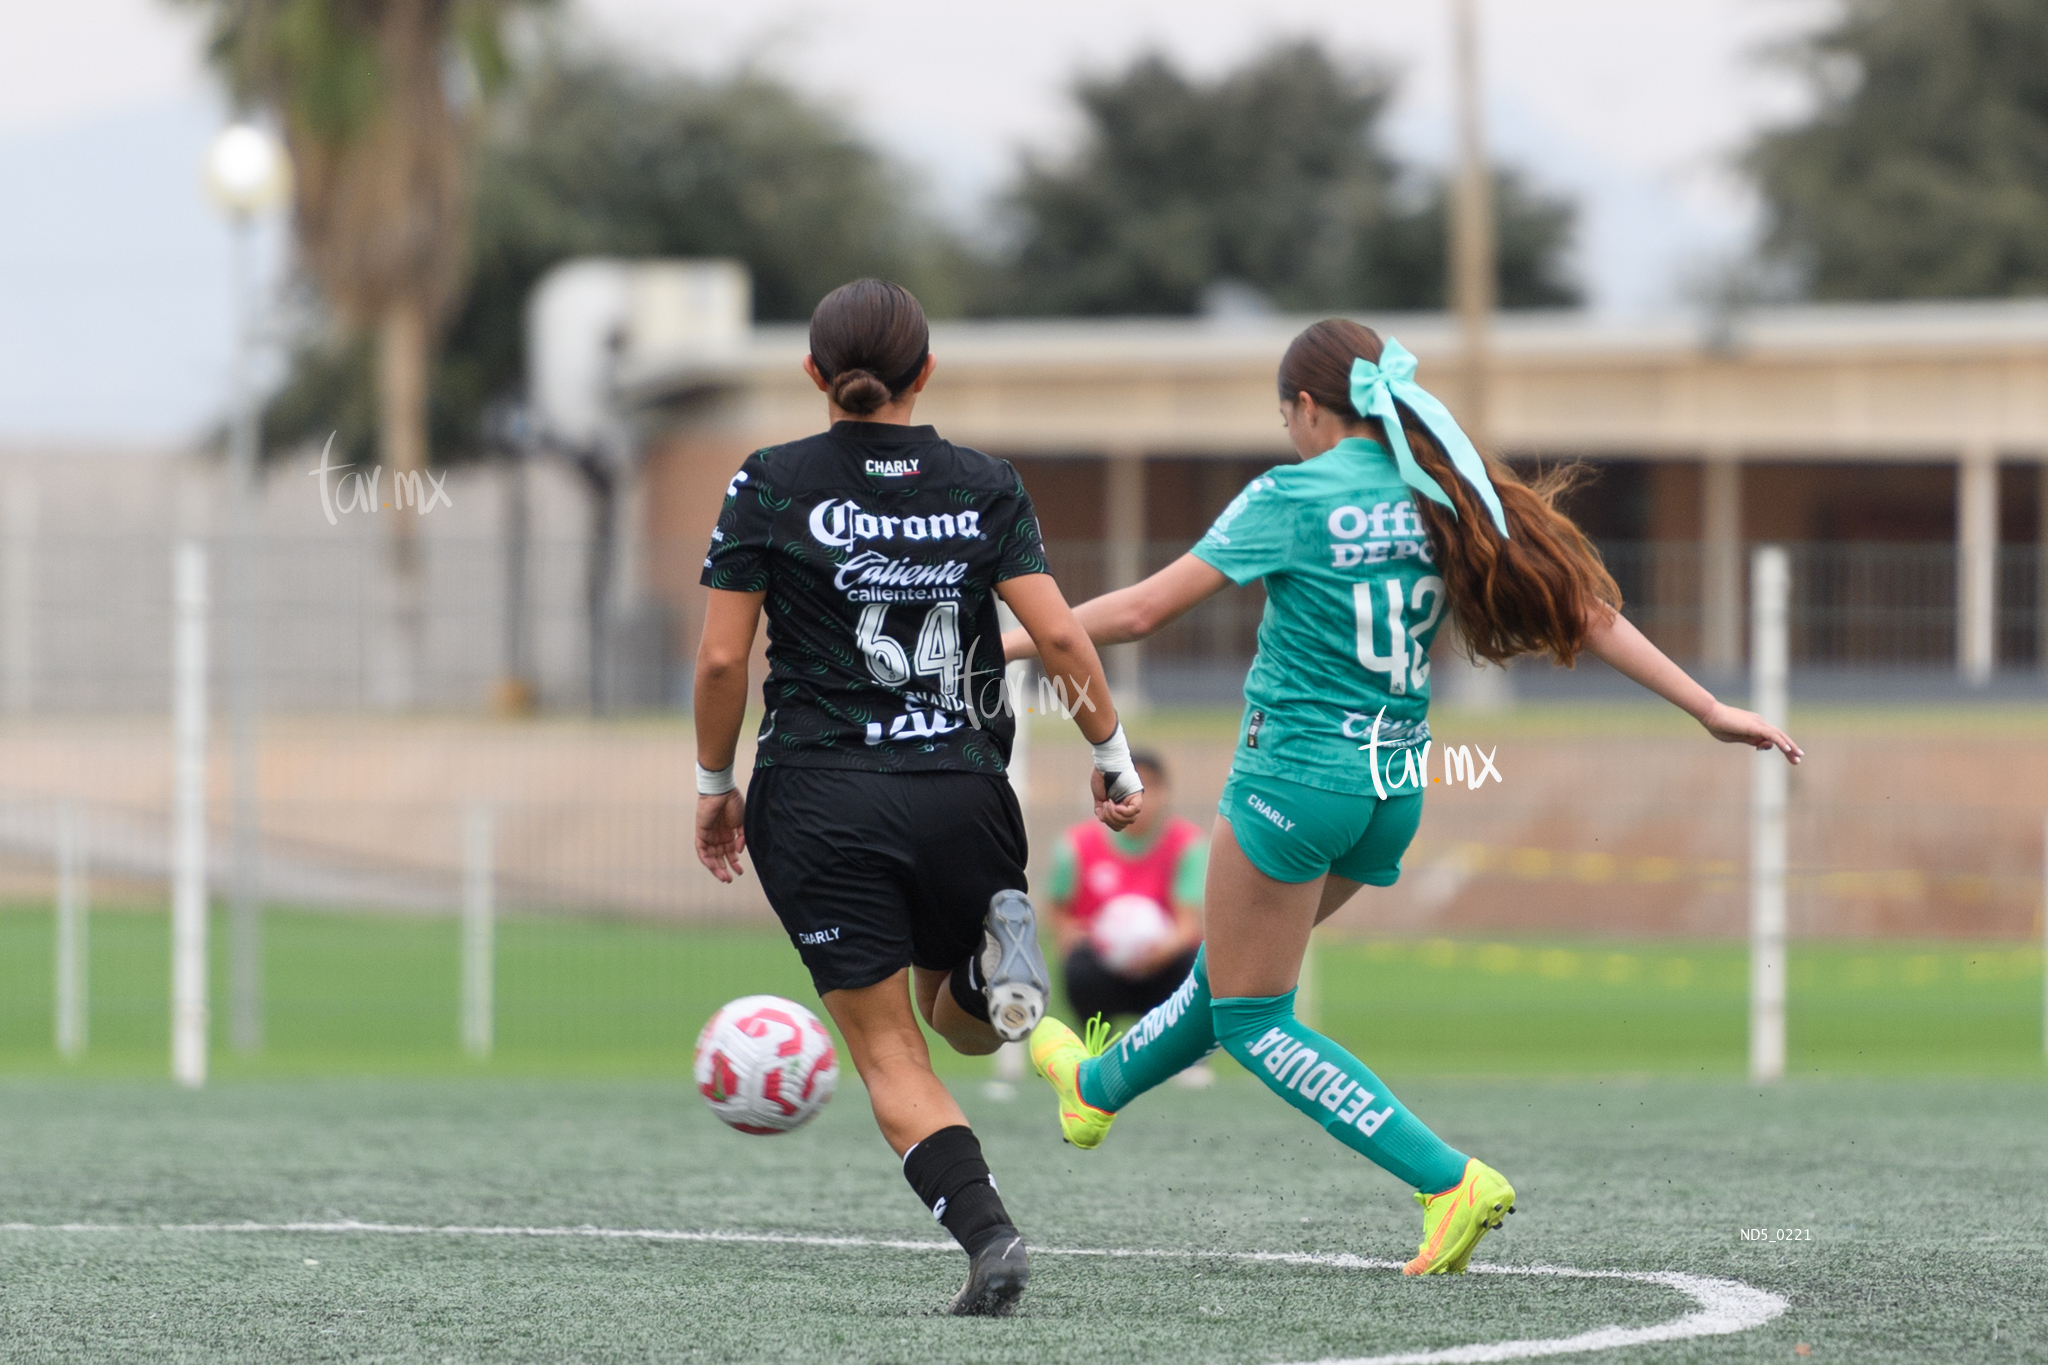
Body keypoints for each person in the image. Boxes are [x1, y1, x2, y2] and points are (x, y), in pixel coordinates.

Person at [1006, 318, 1802, 1276]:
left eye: (1287, 417)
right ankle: (1092, 1088)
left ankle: (1444, 1177)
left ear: (1307, 407)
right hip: (1391, 788)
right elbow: (1585, 611)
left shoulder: (1292, 494)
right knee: (1231, 976)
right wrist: (1710, 705)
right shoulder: (1446, 493)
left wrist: (1013, 641)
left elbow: (1136, 612)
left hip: (1292, 785)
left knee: (1255, 1016)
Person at [692, 279, 1143, 1318]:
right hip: (963, 790)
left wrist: (716, 785)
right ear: (924, 374)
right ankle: (995, 965)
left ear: (813, 376)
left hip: (818, 798)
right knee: (967, 1027)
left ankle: (988, 1240)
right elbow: (1065, 639)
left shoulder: (768, 482)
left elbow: (722, 660)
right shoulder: (983, 482)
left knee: (894, 1047)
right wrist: (1111, 754)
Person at [1046, 751, 1207, 1035]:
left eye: (1150, 788)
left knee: (1195, 962)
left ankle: (1188, 1055)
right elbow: (1059, 912)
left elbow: (1188, 923)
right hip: (1102, 968)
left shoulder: (1188, 845)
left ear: (1164, 793)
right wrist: (1073, 934)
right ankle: (1096, 1045)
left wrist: (1160, 950)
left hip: (1165, 967)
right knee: (1078, 965)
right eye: (1129, 786)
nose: (1140, 799)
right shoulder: (1076, 845)